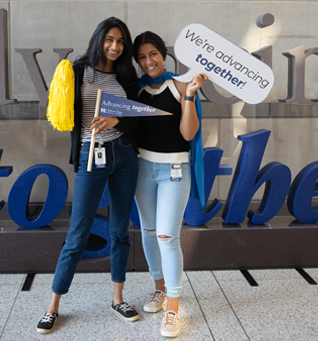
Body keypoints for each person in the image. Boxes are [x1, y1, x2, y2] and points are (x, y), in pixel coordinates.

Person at [36, 17, 140, 334]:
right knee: (77, 234)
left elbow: (137, 118)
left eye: (121, 42)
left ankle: (118, 298)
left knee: (121, 230)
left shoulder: (126, 75)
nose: (115, 46)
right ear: (99, 39)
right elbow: (62, 114)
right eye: (110, 39)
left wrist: (116, 122)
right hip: (90, 154)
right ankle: (53, 307)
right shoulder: (78, 71)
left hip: (124, 155)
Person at [132, 31, 206, 338]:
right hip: (141, 168)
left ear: (164, 54)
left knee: (167, 236)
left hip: (174, 170)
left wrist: (189, 95)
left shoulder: (181, 85)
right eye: (142, 57)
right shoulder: (134, 90)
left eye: (153, 54)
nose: (149, 61)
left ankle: (173, 308)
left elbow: (188, 134)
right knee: (149, 231)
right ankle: (159, 289)